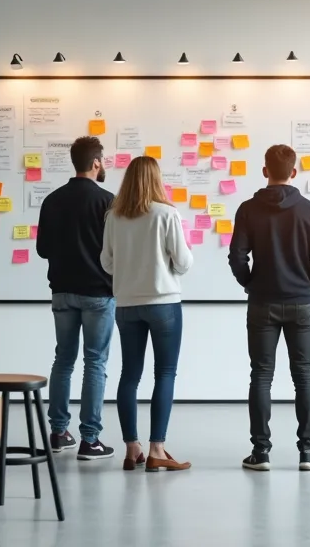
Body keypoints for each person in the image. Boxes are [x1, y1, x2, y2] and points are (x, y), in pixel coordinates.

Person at [228, 144, 310, 472]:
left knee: (261, 375)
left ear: (264, 171)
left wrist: (250, 283)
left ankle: (260, 453)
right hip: (302, 302)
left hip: (262, 302)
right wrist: (308, 282)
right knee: (304, 375)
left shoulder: (248, 209)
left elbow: (237, 257)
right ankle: (308, 453)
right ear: (294, 173)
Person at [101, 155, 194, 472]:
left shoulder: (114, 217)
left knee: (129, 375)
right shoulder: (166, 214)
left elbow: (107, 264)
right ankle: (157, 449)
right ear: (156, 180)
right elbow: (182, 263)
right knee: (165, 373)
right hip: (164, 302)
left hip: (126, 304)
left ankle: (131, 449)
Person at [36, 136, 116, 460]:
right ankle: (90, 440)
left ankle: (58, 433)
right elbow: (115, 251)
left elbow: (42, 250)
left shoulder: (52, 200)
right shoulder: (108, 201)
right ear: (96, 163)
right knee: (95, 362)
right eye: (103, 160)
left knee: (63, 360)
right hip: (98, 293)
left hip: (61, 292)